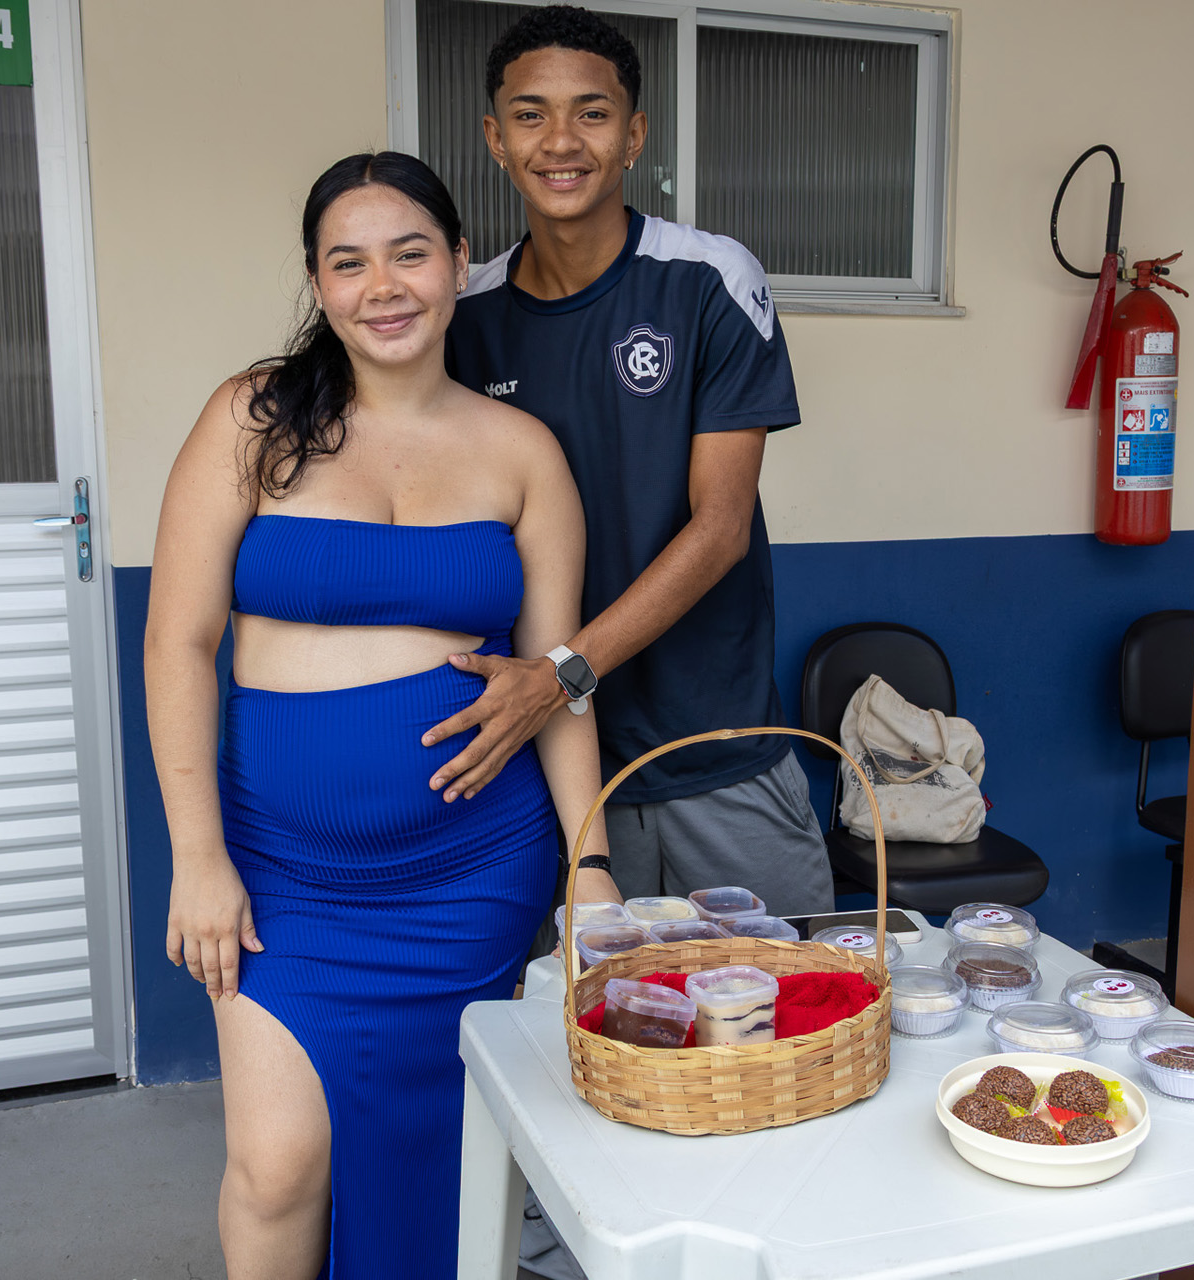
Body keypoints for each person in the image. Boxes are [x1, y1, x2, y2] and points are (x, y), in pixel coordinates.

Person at [145, 151, 620, 1280]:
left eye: (410, 253)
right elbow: (178, 643)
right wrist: (197, 857)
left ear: (459, 261)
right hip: (285, 874)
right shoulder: (254, 418)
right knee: (276, 1168)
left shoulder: (523, 451)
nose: (383, 286)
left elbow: (560, 680)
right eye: (348, 262)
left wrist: (590, 865)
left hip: (472, 871)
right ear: (318, 282)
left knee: (436, 1156)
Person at [436, 4, 835, 918]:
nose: (560, 141)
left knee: (783, 994)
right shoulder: (466, 316)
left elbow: (721, 528)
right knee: (568, 1009)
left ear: (634, 135)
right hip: (540, 766)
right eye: (530, 115)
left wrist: (561, 673)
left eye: (592, 112)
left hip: (714, 755)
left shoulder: (708, 280)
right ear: (496, 139)